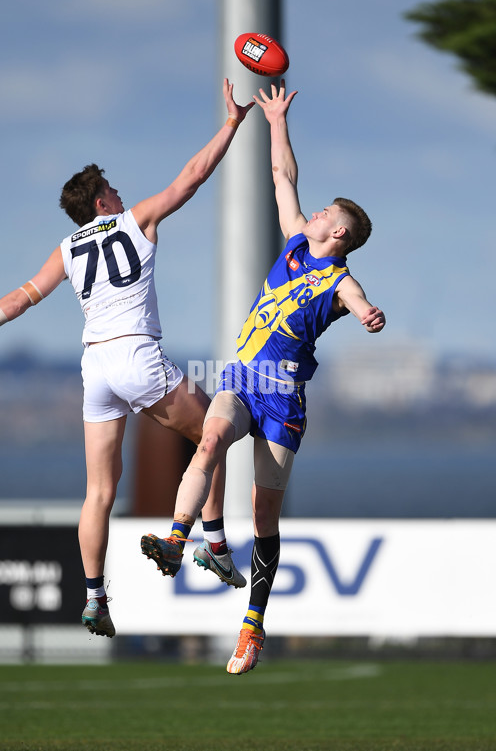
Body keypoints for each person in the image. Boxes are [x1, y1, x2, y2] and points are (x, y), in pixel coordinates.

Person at [0, 78, 255, 639]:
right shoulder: (136, 220)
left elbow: (19, 299)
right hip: (136, 357)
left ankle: (95, 596)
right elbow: (194, 176)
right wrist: (231, 124)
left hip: (94, 370)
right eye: (113, 190)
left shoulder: (66, 249)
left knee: (99, 491)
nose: (121, 195)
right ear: (102, 202)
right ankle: (210, 544)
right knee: (215, 432)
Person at [141, 81, 386, 674]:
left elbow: (357, 299)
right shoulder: (298, 245)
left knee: (263, 516)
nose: (316, 213)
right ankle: (176, 540)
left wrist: (370, 314)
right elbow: (284, 179)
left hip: (283, 398)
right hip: (243, 378)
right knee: (207, 440)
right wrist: (276, 120)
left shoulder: (337, 278)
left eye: (327, 214)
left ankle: (252, 626)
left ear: (341, 234)